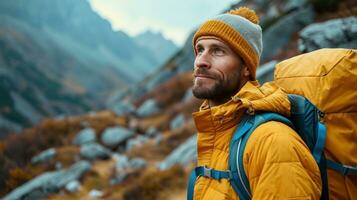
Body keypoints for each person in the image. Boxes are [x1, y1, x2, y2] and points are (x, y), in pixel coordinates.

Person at [190, 7, 322, 199]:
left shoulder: (272, 141)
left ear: (246, 67)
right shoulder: (220, 131)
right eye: (200, 49)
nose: (201, 61)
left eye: (218, 51)